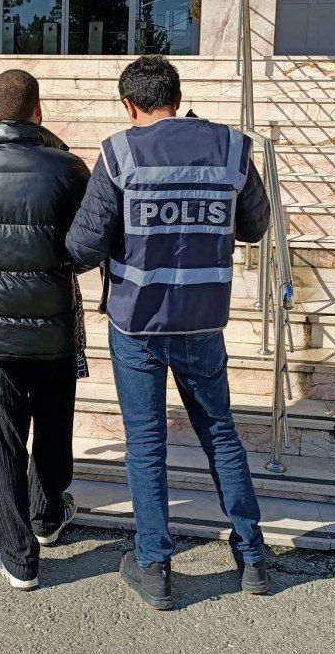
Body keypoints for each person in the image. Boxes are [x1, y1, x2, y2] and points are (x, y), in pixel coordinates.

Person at [66, 55, 272, 610]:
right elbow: (255, 225)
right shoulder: (232, 147)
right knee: (221, 434)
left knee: (146, 443)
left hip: (137, 322)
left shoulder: (120, 153)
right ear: (177, 100)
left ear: (129, 106)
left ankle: (154, 566)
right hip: (203, 319)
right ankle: (252, 556)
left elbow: (82, 247)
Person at [0, 69, 91, 591]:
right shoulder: (70, 168)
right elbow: (88, 242)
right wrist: (57, 268)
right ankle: (48, 517)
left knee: (2, 438)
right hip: (54, 323)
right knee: (54, 423)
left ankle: (17, 557)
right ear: (39, 110)